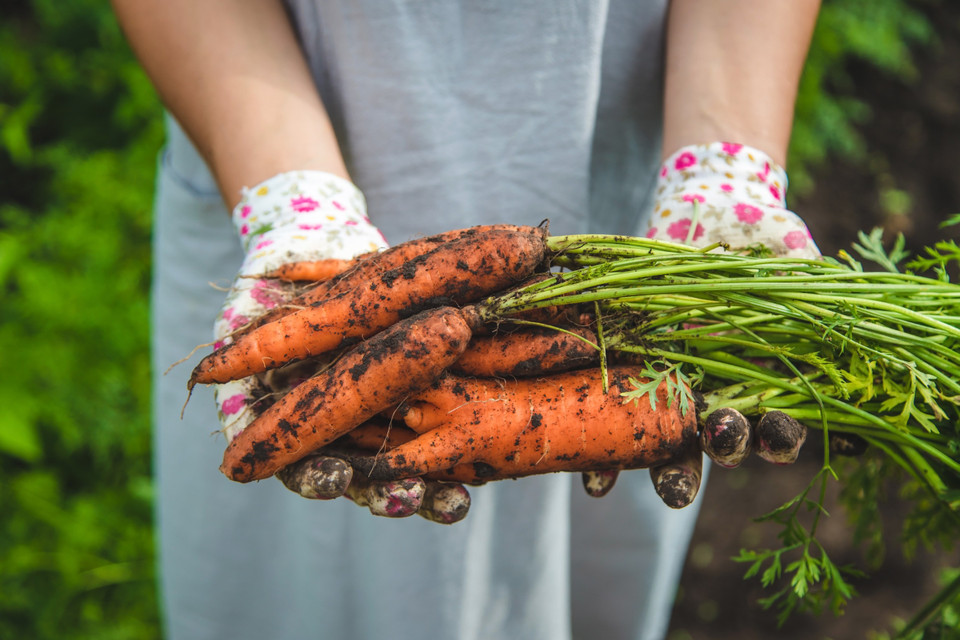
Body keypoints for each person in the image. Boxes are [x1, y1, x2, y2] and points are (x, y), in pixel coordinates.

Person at [111, 1, 823, 638]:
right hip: (262, 131)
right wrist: (290, 205)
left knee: (606, 511)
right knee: (297, 573)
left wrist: (721, 174)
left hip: (639, 211)